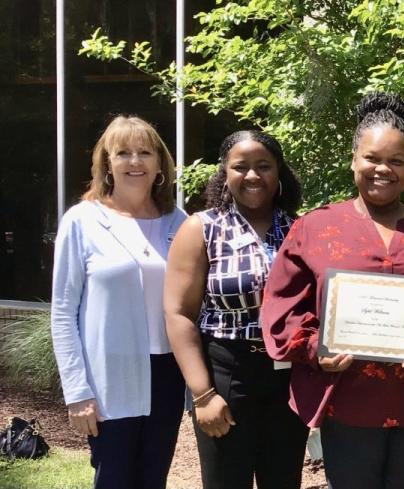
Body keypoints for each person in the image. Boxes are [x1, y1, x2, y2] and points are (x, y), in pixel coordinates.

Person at [260, 92, 404, 489]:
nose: (382, 169)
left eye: (395, 161)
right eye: (372, 158)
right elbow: (282, 305)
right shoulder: (316, 229)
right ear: (354, 159)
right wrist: (315, 345)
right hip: (347, 398)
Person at [163, 130, 308, 489]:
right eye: (241, 166)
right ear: (225, 173)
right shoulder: (202, 228)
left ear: (280, 173)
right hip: (226, 371)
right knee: (225, 481)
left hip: (286, 378)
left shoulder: (301, 230)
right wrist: (202, 394)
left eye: (264, 166)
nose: (253, 175)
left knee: (283, 480)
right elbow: (179, 313)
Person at [50, 115, 186, 489]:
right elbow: (63, 313)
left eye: (145, 152)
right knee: (114, 478)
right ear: (107, 164)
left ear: (160, 164)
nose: (135, 162)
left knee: (152, 479)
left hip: (168, 374)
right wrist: (77, 392)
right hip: (110, 374)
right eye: (123, 153)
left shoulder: (179, 223)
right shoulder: (82, 221)